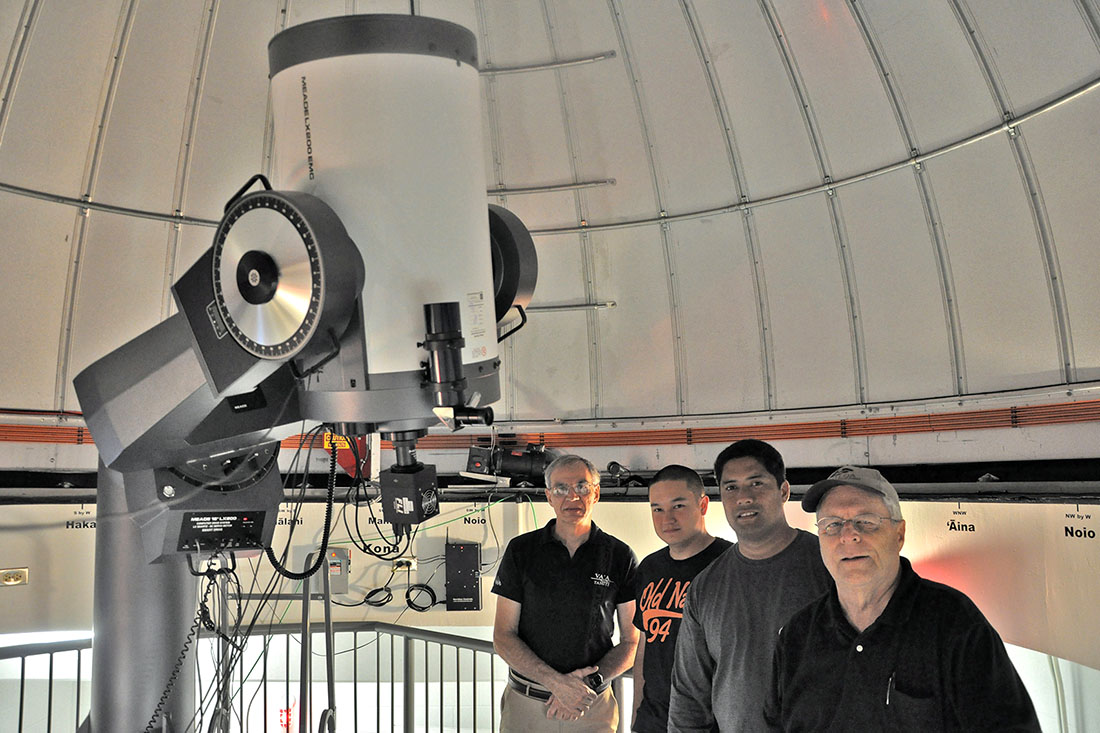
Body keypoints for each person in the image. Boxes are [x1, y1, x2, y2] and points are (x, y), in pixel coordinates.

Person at [765, 465, 1041, 731]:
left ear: (899, 535)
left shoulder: (953, 623)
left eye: (866, 522)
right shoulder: (797, 636)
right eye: (832, 525)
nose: (848, 536)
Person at [668, 439, 833, 732]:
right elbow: (689, 699)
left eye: (756, 484)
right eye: (731, 487)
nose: (743, 497)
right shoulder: (704, 588)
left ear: (783, 491)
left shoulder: (831, 566)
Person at [492, 454, 639, 732]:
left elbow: (631, 642)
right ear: (549, 496)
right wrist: (556, 683)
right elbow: (503, 635)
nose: (572, 496)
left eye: (582, 487)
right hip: (527, 706)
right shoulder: (521, 550)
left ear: (596, 493)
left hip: (591, 706)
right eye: (561, 489)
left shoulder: (620, 555)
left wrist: (585, 686)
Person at [631, 464, 732, 732]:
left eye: (678, 506)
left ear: (703, 505)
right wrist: (636, 716)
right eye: (657, 508)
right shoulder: (649, 568)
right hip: (653, 721)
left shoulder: (731, 565)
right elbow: (645, 646)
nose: (667, 519)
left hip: (710, 724)